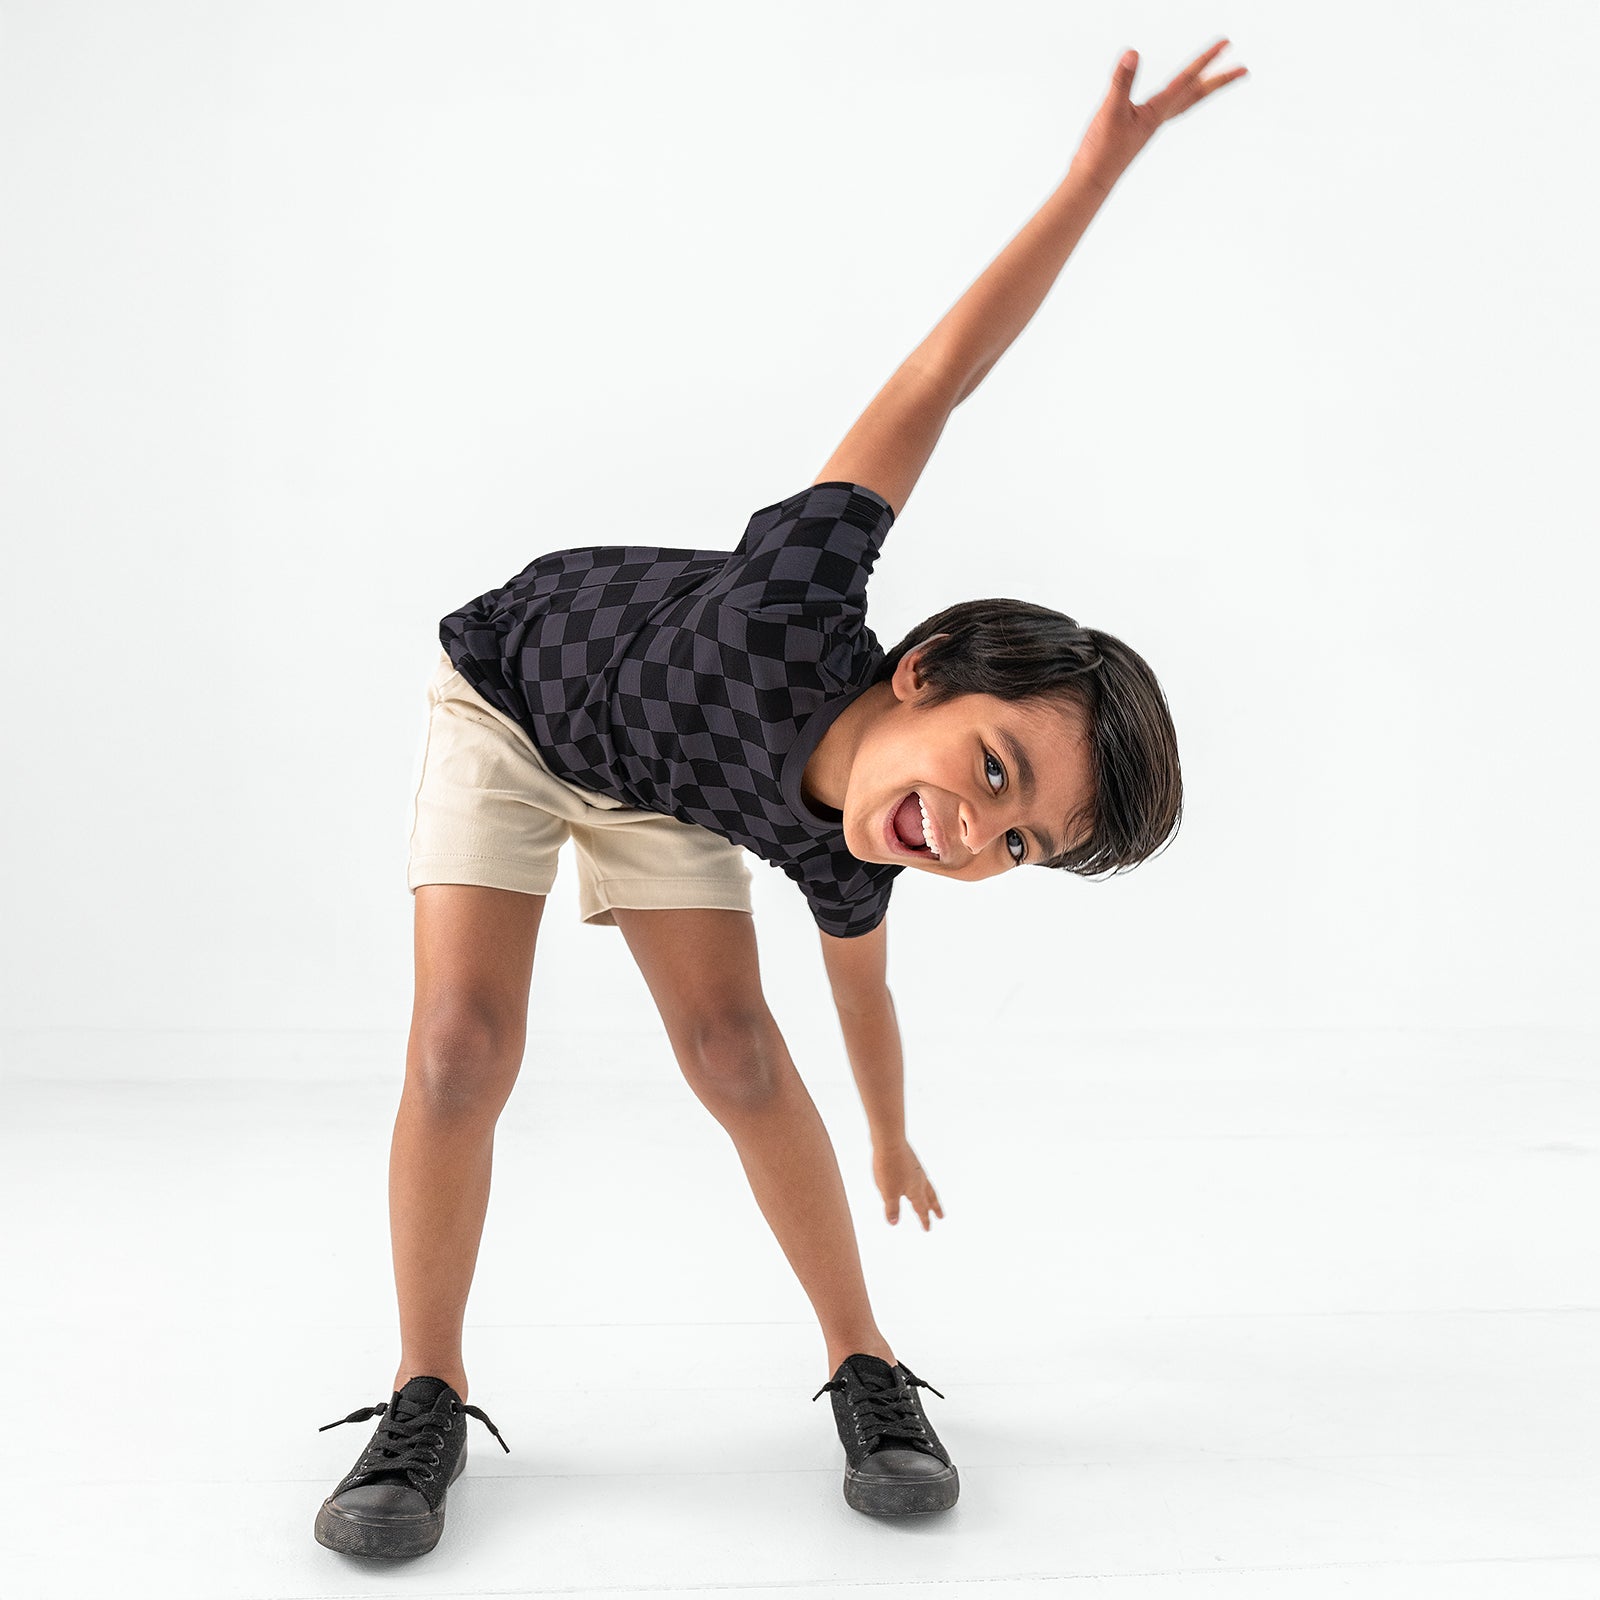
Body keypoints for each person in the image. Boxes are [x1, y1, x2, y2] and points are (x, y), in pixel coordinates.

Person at [314, 37, 1247, 1558]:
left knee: (739, 1055)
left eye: (1016, 844)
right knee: (461, 1045)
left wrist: (889, 1134)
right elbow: (941, 378)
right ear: (924, 674)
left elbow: (859, 1003)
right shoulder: (804, 591)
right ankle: (427, 1393)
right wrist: (1095, 175)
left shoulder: (853, 863)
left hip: (667, 789)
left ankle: (866, 1368)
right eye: (992, 771)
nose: (974, 833)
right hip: (508, 704)